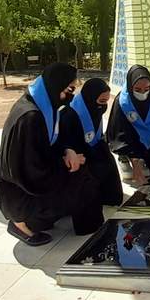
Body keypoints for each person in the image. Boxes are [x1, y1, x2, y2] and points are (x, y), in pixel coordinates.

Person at [0, 63, 105, 246]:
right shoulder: (30, 117)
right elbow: (32, 172)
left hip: (25, 182)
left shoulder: (43, 107)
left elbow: (49, 143)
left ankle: (49, 217)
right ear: (55, 85)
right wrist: (65, 163)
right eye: (69, 90)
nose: (71, 96)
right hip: (16, 192)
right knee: (81, 181)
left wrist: (67, 151)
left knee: (82, 173)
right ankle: (23, 224)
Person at [58, 77, 123, 206]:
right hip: (76, 156)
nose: (103, 106)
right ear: (90, 97)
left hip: (92, 150)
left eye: (106, 101)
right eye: (102, 101)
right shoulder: (70, 114)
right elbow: (65, 143)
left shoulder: (94, 108)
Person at [107, 65, 150, 184]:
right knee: (130, 174)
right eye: (137, 90)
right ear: (130, 86)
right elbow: (118, 135)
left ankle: (147, 158)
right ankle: (125, 159)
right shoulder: (122, 102)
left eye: (147, 89)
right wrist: (135, 163)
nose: (143, 93)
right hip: (131, 141)